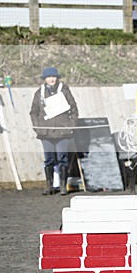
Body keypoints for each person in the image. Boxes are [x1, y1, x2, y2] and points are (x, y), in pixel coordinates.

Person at [30, 67, 79, 195]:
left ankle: (63, 186)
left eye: (53, 77)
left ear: (57, 78)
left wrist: (70, 126)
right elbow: (33, 112)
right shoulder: (39, 93)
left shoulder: (64, 90)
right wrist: (38, 127)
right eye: (49, 77)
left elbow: (74, 110)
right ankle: (49, 185)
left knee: (63, 158)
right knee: (49, 159)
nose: (51, 79)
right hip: (46, 133)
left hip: (63, 132)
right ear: (45, 79)